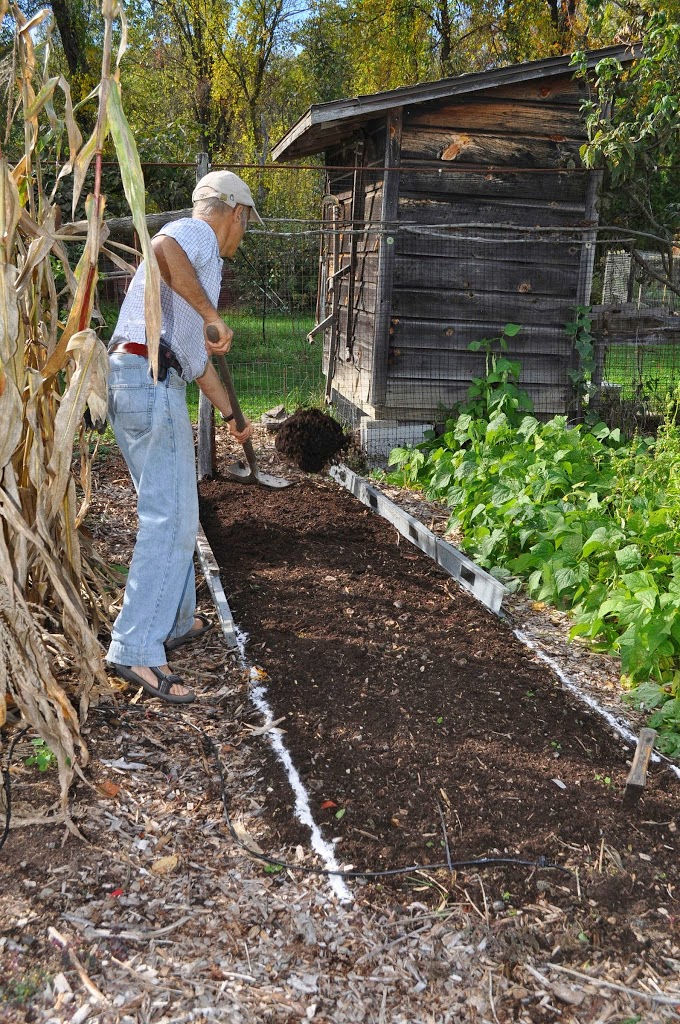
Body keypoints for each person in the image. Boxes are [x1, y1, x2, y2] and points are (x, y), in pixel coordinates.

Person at [105, 171, 260, 704]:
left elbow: (195, 365)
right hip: (149, 379)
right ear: (233, 213)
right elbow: (162, 245)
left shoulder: (195, 277)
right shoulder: (196, 239)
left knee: (175, 509)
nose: (242, 235)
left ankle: (172, 621)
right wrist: (211, 313)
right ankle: (135, 648)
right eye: (245, 223)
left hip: (142, 379)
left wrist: (235, 420)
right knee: (168, 517)